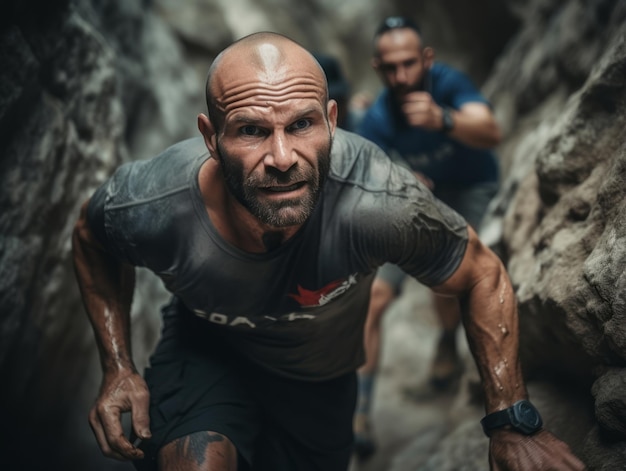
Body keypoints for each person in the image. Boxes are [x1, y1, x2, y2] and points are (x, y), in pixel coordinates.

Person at [72, 31, 584, 471]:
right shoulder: (156, 203)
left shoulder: (378, 202)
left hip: (320, 379)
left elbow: (480, 274)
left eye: (301, 125)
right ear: (211, 137)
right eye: (251, 130)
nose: (281, 158)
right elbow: (91, 238)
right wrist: (117, 366)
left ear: (331, 121)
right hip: (207, 351)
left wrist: (511, 421)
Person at [353, 16, 503, 457]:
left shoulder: (450, 85)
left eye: (409, 64)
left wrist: (444, 120)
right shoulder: (377, 118)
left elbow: (491, 130)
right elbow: (369, 170)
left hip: (470, 189)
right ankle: (359, 409)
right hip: (418, 200)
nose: (401, 76)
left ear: (426, 59)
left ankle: (444, 338)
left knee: (451, 282)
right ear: (378, 67)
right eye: (391, 67)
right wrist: (398, 175)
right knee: (374, 298)